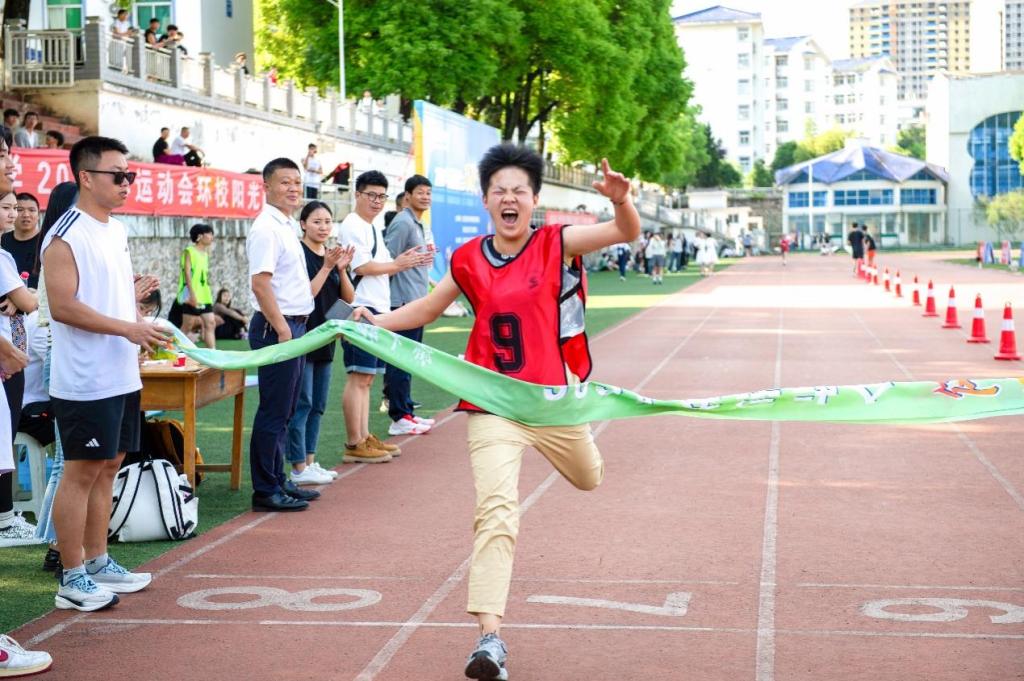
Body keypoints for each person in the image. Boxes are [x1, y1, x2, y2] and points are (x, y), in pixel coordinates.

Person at [349, 143, 638, 681]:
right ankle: (489, 638)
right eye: (499, 191)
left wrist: (621, 201)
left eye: (519, 191)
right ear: (485, 200)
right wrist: (374, 322)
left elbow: (624, 231)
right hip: (492, 405)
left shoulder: (555, 243)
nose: (509, 199)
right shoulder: (467, 259)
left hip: (551, 403)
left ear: (534, 200)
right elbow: (427, 307)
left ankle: (491, 634)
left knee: (589, 477)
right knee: (497, 511)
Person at [42, 136, 169, 610]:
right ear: (86, 177)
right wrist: (128, 329)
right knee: (81, 472)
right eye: (117, 175)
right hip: (85, 378)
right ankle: (71, 577)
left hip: (120, 373)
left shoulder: (115, 230)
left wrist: (135, 321)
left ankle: (97, 562)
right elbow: (64, 306)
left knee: (110, 465)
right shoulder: (64, 235)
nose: (126, 183)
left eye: (129, 175)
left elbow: (107, 297)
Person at [338, 170, 431, 463]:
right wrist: (400, 264)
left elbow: (380, 264)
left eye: (381, 196)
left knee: (367, 378)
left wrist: (405, 262)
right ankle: (354, 442)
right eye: (371, 195)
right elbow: (362, 267)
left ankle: (364, 437)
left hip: (377, 308)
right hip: (361, 307)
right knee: (358, 376)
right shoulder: (352, 224)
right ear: (357, 195)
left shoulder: (371, 226)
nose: (377, 201)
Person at [246, 157, 320, 512]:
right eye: (285, 182)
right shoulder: (266, 228)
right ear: (267, 186)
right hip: (278, 327)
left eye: (296, 182)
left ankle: (278, 480)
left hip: (294, 325)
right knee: (274, 411)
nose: (293, 188)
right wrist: (282, 329)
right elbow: (260, 284)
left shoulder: (286, 225)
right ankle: (265, 490)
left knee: (287, 409)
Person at [286, 201, 353, 486]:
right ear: (303, 224)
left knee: (318, 404)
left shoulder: (330, 255)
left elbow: (347, 299)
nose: (324, 227)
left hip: (327, 338)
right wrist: (327, 267)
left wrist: (342, 269)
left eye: (327, 221)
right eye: (317, 221)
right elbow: (305, 295)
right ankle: (298, 467)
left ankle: (310, 462)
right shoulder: (298, 253)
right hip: (304, 336)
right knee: (302, 403)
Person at [29, 180, 78, 571]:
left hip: (62, 355)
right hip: (62, 355)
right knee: (67, 459)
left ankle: (55, 543)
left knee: (68, 459)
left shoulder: (62, 245)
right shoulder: (59, 247)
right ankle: (56, 545)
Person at [382, 175, 436, 436]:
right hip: (402, 302)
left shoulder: (418, 223)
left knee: (409, 360)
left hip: (416, 300)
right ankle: (398, 416)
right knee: (400, 360)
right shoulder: (403, 222)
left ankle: (406, 412)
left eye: (428, 193)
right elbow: (388, 260)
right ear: (408, 196)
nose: (425, 197)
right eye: (420, 192)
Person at [177, 223, 216, 348]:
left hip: (204, 295)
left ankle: (212, 354)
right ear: (199, 236)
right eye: (209, 234)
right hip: (191, 294)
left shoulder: (205, 254)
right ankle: (172, 349)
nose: (211, 237)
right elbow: (187, 274)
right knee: (187, 326)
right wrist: (192, 295)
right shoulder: (189, 251)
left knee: (210, 323)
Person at [3, 192, 42, 288]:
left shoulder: (46, 242)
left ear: (38, 215)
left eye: (31, 210)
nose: (26, 215)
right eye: (19, 210)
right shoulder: (2, 240)